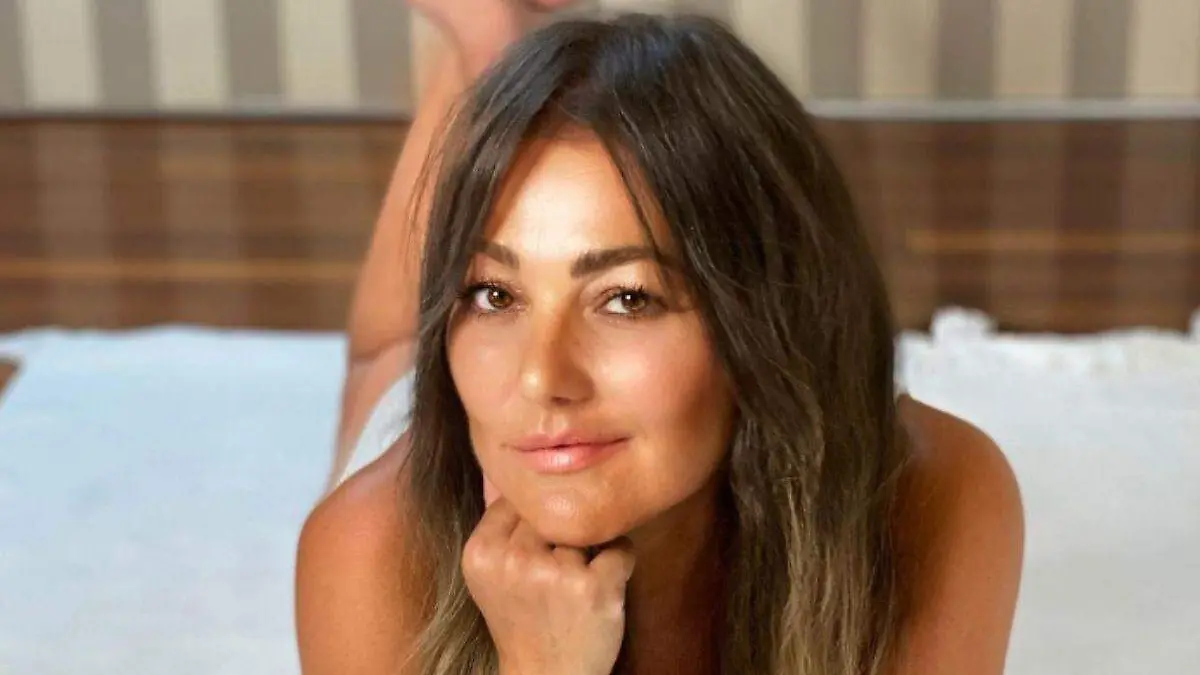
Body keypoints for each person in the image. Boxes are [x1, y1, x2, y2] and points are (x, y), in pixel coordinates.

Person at [296, 3, 1025, 674]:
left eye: (627, 298)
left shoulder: (938, 497)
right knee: (383, 362)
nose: (540, 377)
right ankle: (488, 43)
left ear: (764, 319)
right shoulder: (365, 553)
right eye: (493, 294)